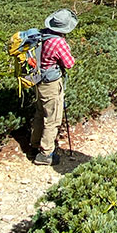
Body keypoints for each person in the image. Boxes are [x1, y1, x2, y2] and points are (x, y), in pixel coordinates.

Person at [30, 9, 77, 165]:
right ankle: (45, 153)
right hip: (51, 84)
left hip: (38, 80)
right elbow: (69, 64)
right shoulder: (58, 42)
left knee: (39, 112)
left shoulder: (41, 35)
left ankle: (35, 144)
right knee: (52, 119)